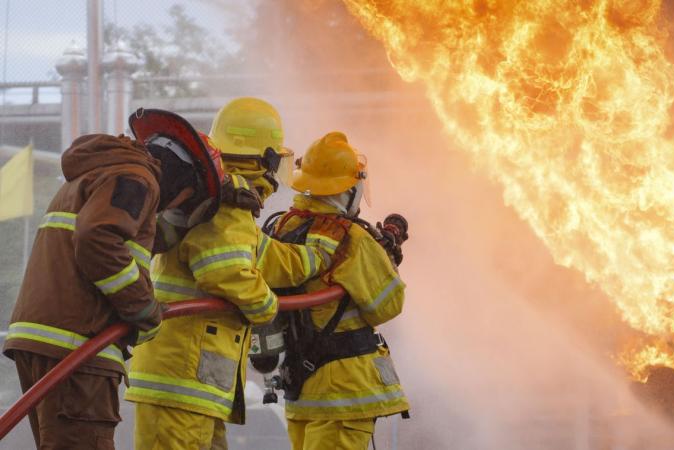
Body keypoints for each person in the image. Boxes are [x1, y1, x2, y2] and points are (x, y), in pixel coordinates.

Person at [2, 109, 223, 450]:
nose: (173, 208)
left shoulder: (101, 173)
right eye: (185, 201)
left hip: (48, 340)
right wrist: (144, 308)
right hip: (78, 345)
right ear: (181, 181)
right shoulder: (137, 179)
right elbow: (99, 240)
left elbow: (146, 237)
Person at [125, 97, 338, 449]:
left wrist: (320, 255)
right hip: (183, 382)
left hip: (193, 386)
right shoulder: (227, 205)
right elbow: (225, 273)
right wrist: (267, 308)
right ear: (264, 160)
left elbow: (272, 259)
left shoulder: (223, 199)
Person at [271, 131, 410, 450]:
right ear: (349, 188)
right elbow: (388, 305)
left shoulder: (285, 227)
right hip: (346, 392)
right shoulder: (353, 240)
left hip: (302, 388)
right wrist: (384, 261)